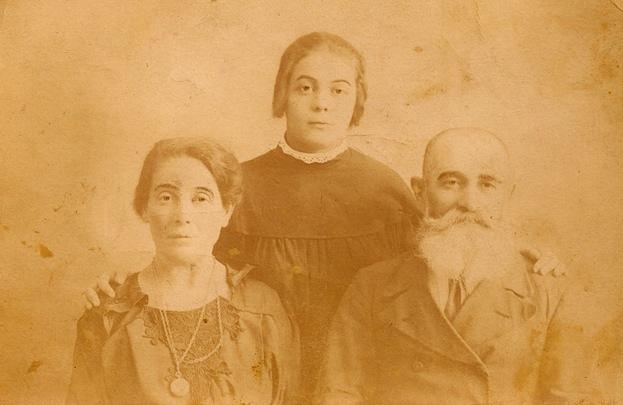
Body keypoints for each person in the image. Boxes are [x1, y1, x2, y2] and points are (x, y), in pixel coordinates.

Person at [82, 34, 564, 400]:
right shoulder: (237, 185)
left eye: (338, 89)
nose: (321, 103)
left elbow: (444, 261)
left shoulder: (385, 189)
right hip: (255, 371)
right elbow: (186, 261)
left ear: (357, 100)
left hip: (361, 377)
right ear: (281, 96)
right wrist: (121, 288)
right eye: (305, 87)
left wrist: (522, 259)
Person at [314, 128, 598, 404]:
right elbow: (338, 394)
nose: (470, 203)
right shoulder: (372, 286)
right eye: (451, 182)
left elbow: (572, 399)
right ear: (420, 191)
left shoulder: (549, 291)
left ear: (508, 194)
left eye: (487, 185)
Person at [67, 138, 299, 405]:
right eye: (166, 197)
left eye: (201, 198)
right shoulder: (109, 316)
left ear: (226, 211)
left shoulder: (263, 309)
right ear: (144, 209)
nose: (183, 214)